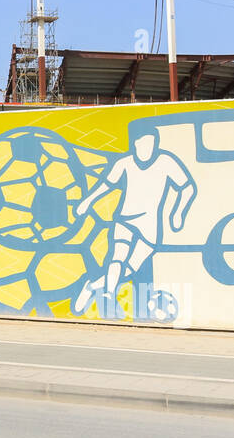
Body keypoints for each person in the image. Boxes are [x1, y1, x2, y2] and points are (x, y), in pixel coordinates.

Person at [71, 128, 196, 316]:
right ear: (135, 144)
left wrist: (177, 213)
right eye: (144, 143)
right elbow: (106, 185)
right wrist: (87, 202)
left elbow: (187, 188)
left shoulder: (166, 162)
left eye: (152, 144)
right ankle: (108, 295)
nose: (148, 148)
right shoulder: (125, 163)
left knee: (130, 268)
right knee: (118, 257)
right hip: (125, 219)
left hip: (150, 226)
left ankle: (92, 286)